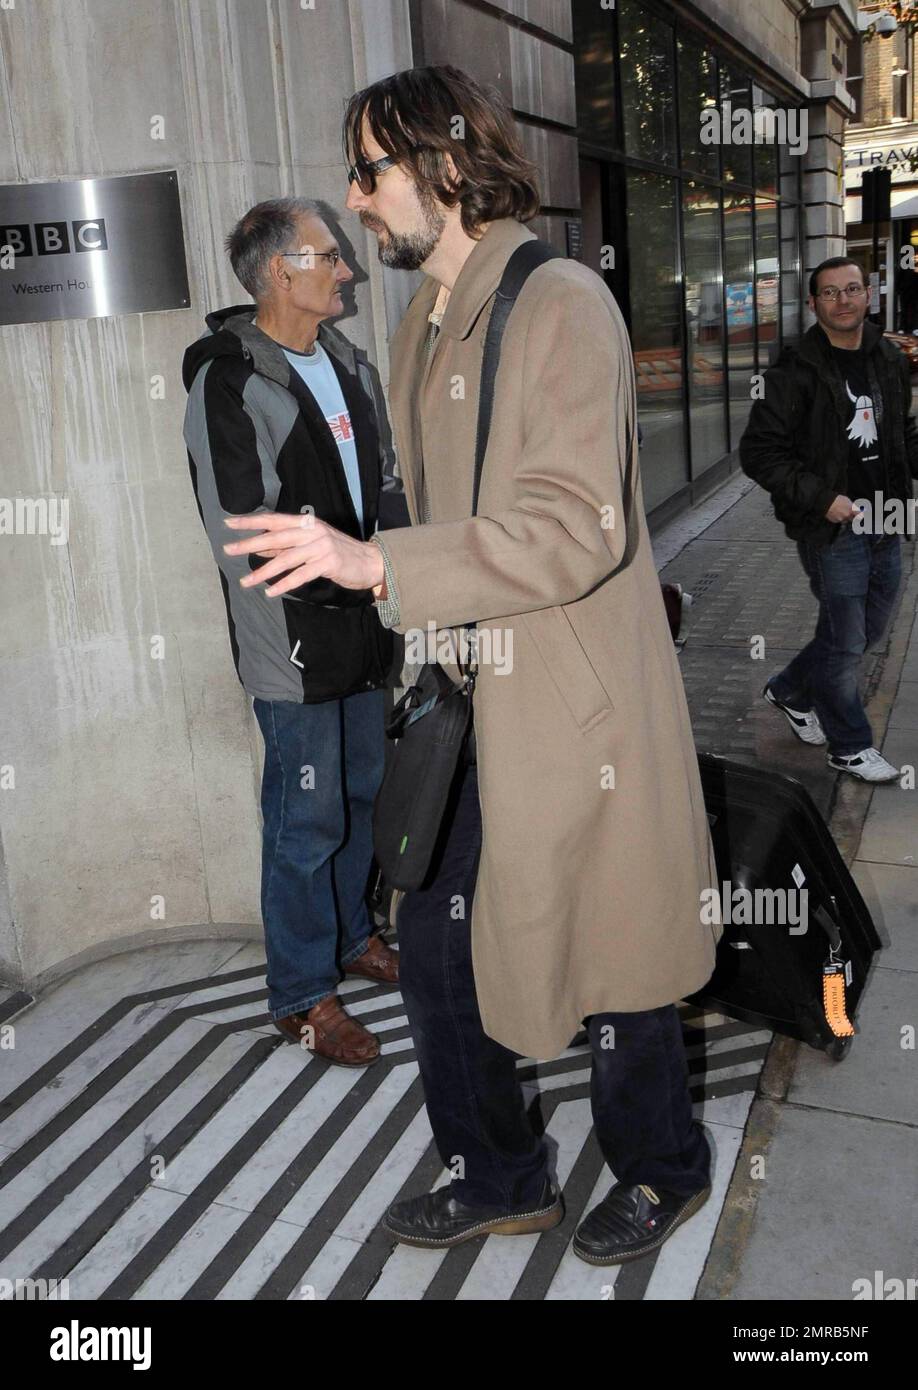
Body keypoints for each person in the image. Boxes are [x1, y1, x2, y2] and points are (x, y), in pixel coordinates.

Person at [223, 67, 722, 1266]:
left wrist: (376, 562)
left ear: (443, 165)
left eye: (369, 169)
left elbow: (571, 526)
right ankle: (501, 1170)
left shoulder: (557, 303)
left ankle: (663, 1164)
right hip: (466, 703)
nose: (354, 198)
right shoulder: (422, 320)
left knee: (617, 951)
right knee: (442, 945)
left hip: (572, 707)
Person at [182, 197, 400, 1068]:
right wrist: (347, 580)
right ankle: (301, 996)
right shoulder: (230, 378)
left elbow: (382, 481)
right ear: (281, 271)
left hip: (367, 622)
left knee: (359, 799)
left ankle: (350, 938)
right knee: (303, 820)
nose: (345, 270)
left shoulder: (347, 362)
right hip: (293, 640)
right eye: (328, 256)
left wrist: (392, 574)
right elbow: (243, 532)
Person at [741, 257, 917, 782]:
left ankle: (790, 689)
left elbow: (900, 437)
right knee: (845, 643)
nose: (844, 300)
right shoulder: (792, 372)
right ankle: (848, 745)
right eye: (831, 292)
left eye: (854, 289)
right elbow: (760, 453)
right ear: (814, 303)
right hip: (833, 527)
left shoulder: (887, 357)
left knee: (867, 631)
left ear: (869, 295)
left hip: (886, 517)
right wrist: (822, 499)